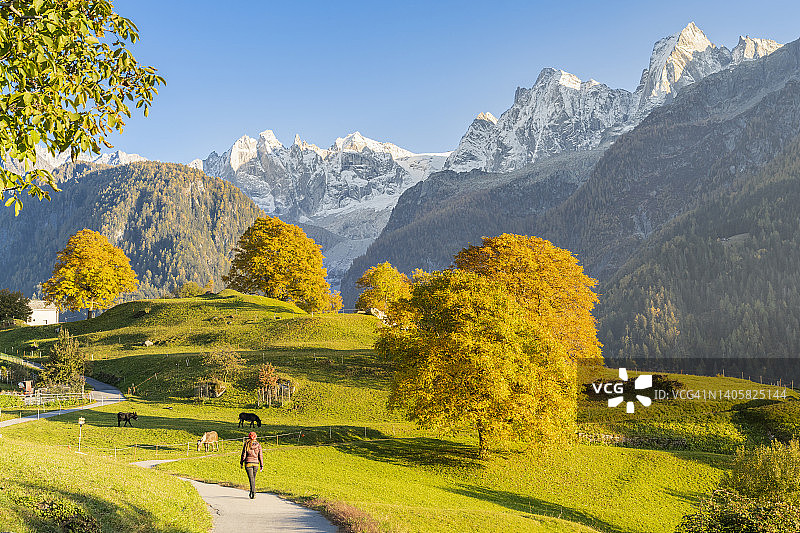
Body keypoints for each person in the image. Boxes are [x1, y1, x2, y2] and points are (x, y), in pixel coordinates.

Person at [240, 431, 263, 499]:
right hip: (256, 464)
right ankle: (252, 492)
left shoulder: (247, 444)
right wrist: (261, 465)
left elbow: (244, 454)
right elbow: (260, 455)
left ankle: (253, 492)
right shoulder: (258, 445)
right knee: (252, 479)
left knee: (251, 479)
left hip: (248, 463)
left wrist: (241, 462)